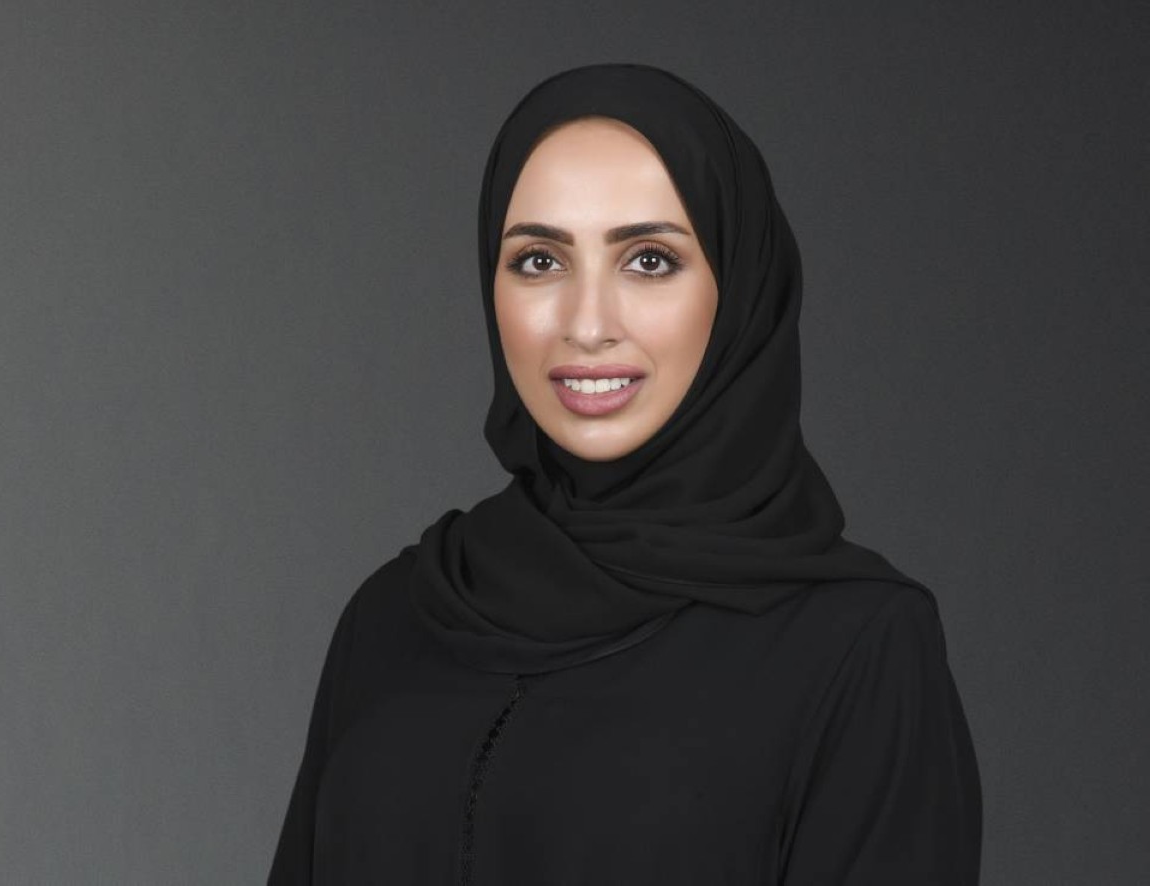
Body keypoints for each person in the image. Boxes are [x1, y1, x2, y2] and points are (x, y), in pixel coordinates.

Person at [267, 62, 982, 885]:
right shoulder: (396, 616)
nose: (587, 324)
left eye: (648, 260)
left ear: (737, 289)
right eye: (539, 261)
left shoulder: (859, 648)